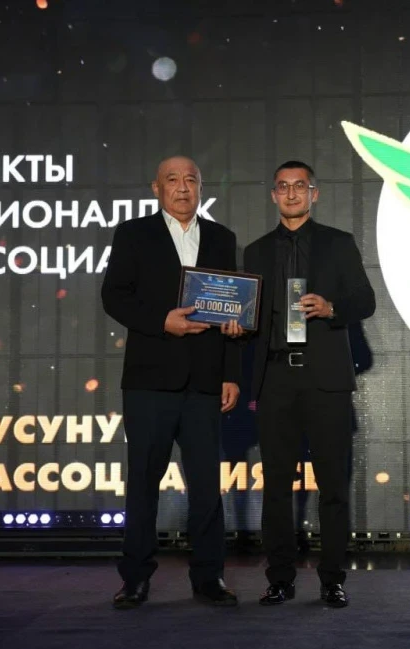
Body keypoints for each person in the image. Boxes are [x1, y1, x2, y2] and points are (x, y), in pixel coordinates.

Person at [102, 156, 243, 609]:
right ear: (156, 188)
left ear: (201, 188)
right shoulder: (133, 234)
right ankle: (135, 579)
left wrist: (231, 372)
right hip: (149, 381)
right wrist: (161, 321)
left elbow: (232, 307)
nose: (183, 188)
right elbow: (113, 296)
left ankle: (209, 577)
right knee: (143, 483)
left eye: (191, 180)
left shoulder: (222, 238)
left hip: (205, 382)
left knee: (206, 486)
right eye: (173, 180)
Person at [243, 160, 376, 608]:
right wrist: (235, 322)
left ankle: (332, 579)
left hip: (326, 378)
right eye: (283, 186)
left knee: (333, 486)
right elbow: (249, 316)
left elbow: (365, 301)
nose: (291, 193)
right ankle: (279, 579)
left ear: (314, 194)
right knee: (276, 487)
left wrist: (332, 307)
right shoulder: (256, 252)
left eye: (299, 186)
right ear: (273, 195)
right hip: (276, 377)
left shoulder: (339, 243)